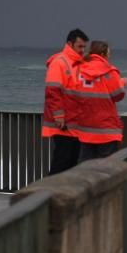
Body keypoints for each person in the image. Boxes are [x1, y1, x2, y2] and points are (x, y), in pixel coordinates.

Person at [65, 40, 127, 162]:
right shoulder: (110, 71)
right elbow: (119, 95)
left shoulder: (78, 70)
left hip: (85, 129)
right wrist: (121, 83)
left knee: (85, 169)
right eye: (109, 53)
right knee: (107, 170)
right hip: (107, 130)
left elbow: (72, 95)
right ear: (103, 54)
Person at [43, 28, 87, 174]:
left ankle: (60, 194)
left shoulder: (76, 63)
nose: (82, 50)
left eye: (84, 47)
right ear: (70, 43)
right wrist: (59, 116)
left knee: (71, 162)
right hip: (63, 124)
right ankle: (48, 195)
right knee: (61, 162)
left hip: (74, 123)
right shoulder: (60, 62)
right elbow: (53, 91)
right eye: (80, 46)